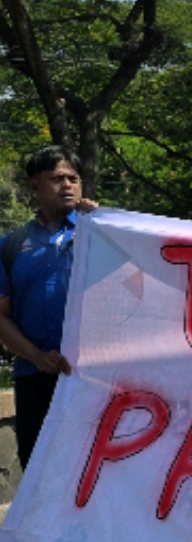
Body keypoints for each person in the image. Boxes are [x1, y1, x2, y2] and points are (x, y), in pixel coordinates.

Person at [0, 146, 98, 468]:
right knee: (38, 472)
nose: (67, 185)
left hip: (92, 379)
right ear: (34, 186)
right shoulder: (11, 245)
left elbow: (135, 295)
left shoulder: (100, 234)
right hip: (34, 380)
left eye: (73, 178)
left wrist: (100, 225)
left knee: (92, 473)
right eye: (56, 178)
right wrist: (36, 356)